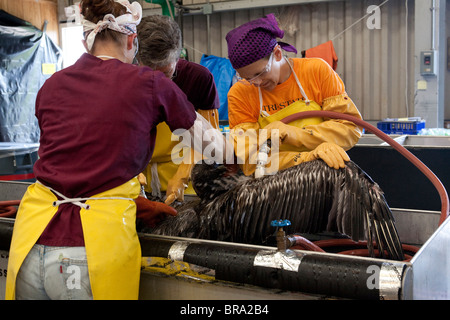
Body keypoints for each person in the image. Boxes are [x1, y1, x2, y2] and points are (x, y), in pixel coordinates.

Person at [5, 0, 226, 300]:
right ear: (133, 40)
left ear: (85, 39)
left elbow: (67, 160)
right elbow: (215, 148)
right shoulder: (150, 84)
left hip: (29, 240)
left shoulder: (52, 85)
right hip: (88, 251)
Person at [226, 14, 363, 176]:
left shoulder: (316, 71)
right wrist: (308, 158)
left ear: (277, 53)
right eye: (247, 78)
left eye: (260, 73)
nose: (256, 82)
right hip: (274, 185)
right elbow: (249, 161)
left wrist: (294, 134)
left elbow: (350, 129)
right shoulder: (240, 94)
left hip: (326, 178)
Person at [137, 15, 221, 205]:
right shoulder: (126, 79)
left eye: (165, 74)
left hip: (188, 182)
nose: (157, 84)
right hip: (140, 182)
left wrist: (182, 176)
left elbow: (209, 138)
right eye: (149, 73)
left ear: (179, 56)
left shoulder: (199, 78)